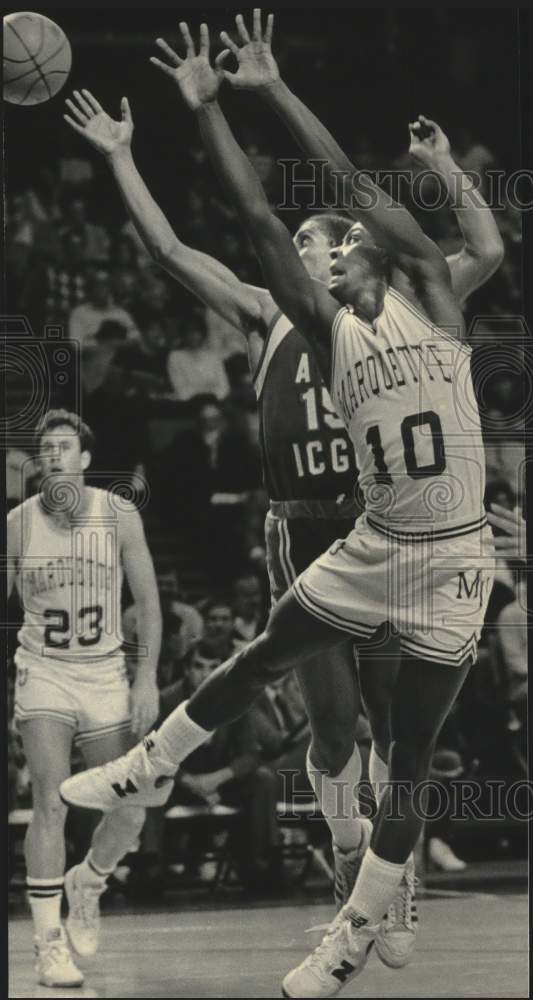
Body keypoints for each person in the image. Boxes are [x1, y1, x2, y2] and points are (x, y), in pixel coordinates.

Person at [62, 19, 501, 974]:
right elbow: (214, 237)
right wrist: (150, 143)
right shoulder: (288, 314)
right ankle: (347, 868)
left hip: (415, 528)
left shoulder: (431, 291)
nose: (325, 247)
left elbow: (408, 212)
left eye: (337, 240)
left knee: (401, 736)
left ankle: (382, 899)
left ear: (368, 251)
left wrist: (279, 99)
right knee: (327, 722)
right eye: (314, 242)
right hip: (327, 533)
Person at [7, 409, 161, 988]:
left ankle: (90, 879)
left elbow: (147, 602)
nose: (54, 454)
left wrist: (145, 678)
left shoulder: (117, 513)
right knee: (50, 801)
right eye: (46, 447)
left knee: (131, 807)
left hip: (103, 676)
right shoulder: (19, 523)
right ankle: (48, 944)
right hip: (44, 672)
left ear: (85, 459)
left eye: (64, 446)